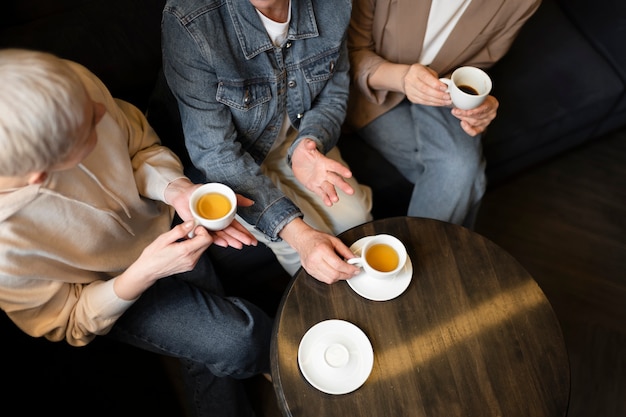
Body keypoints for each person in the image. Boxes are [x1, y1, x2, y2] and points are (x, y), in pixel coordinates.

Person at [0, 49, 273, 417]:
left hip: (167, 220)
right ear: (41, 175)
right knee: (241, 340)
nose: (102, 109)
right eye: (90, 128)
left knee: (262, 252)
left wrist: (174, 189)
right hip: (114, 292)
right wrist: (146, 272)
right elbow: (71, 321)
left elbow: (139, 145)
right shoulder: (6, 252)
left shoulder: (77, 86)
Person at [159, 0, 373, 284]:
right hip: (234, 158)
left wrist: (310, 142)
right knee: (306, 253)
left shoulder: (333, 5)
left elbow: (332, 96)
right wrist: (299, 235)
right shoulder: (190, 19)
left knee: (358, 221)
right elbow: (216, 153)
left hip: (297, 136)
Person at [346, 0, 541, 227]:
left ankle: (416, 259)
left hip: (443, 94)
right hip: (375, 88)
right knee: (466, 177)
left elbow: (476, 65)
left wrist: (479, 104)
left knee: (459, 172)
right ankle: (430, 260)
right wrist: (403, 78)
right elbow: (349, 50)